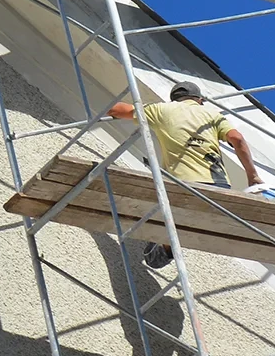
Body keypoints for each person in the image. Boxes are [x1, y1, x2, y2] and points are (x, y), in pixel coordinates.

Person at [106, 82, 263, 269]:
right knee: (182, 227)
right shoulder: (212, 115)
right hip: (218, 188)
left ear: (175, 98)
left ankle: (168, 241)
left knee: (153, 257)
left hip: (184, 187)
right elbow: (237, 139)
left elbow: (116, 110)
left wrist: (110, 109)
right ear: (200, 100)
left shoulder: (162, 110)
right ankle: (171, 238)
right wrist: (252, 177)